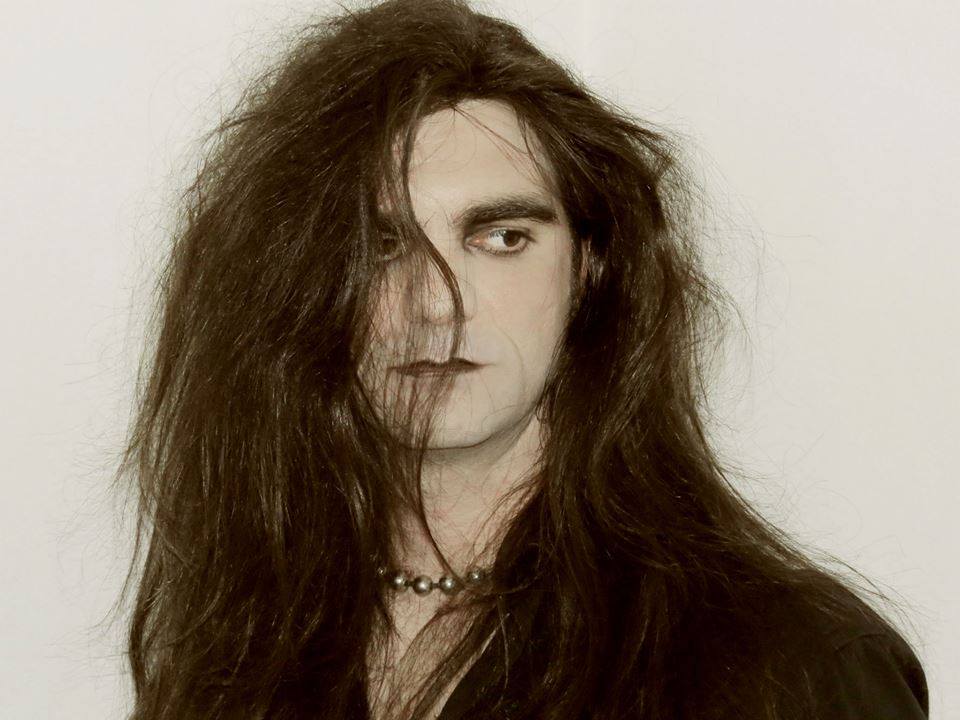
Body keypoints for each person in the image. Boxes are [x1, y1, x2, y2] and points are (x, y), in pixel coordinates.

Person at [120, 0, 928, 718]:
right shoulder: (239, 638)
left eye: (502, 238)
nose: (436, 303)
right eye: (380, 246)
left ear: (590, 270)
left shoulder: (790, 665)